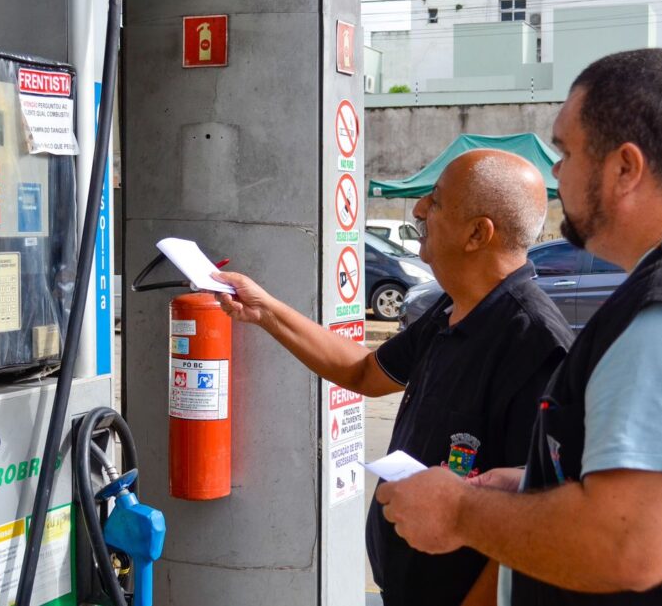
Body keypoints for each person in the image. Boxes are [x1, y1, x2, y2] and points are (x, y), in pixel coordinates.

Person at [376, 48, 662, 606]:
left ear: (624, 168)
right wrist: (533, 487)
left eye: (567, 152)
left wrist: (459, 512)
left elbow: (629, 540)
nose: (556, 174)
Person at [212, 149, 573, 606]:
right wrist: (265, 311)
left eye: (436, 202)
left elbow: (533, 521)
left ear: (478, 234)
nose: (420, 209)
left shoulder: (535, 345)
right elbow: (364, 372)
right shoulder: (453, 308)